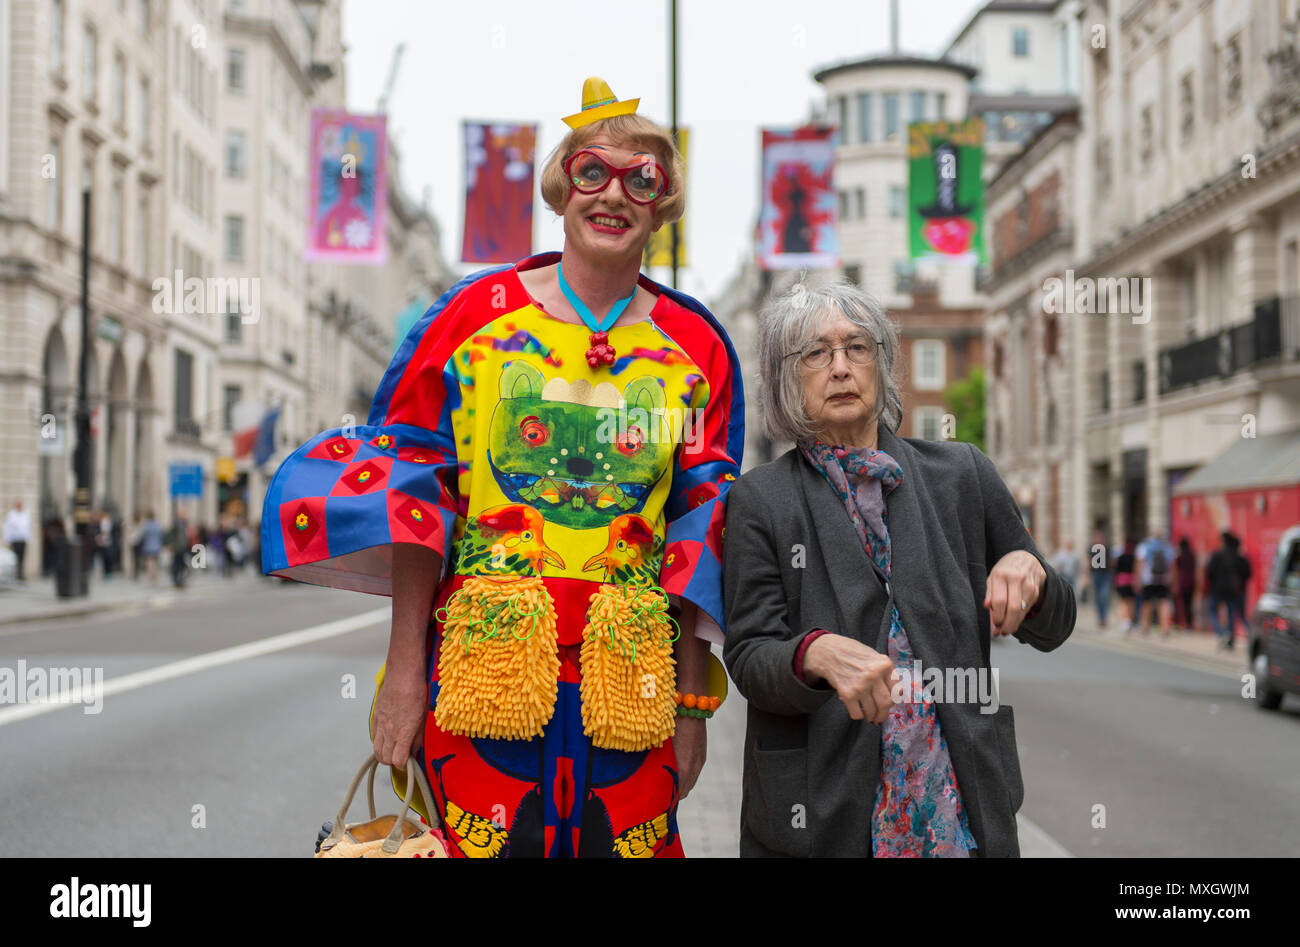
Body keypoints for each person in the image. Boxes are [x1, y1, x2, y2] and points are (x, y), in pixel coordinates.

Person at [262, 77, 743, 858]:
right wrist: (404, 675)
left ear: (665, 202)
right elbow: (416, 498)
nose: (613, 195)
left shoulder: (700, 345)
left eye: (642, 178)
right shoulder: (469, 317)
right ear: (561, 186)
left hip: (633, 683)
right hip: (483, 668)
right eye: (593, 171)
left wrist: (691, 705)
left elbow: (699, 529)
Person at [721, 279, 1075, 858]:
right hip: (823, 810)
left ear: (882, 365)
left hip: (960, 811)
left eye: (857, 348)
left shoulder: (961, 473)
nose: (840, 368)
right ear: (787, 378)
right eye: (815, 353)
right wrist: (811, 653)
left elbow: (1055, 624)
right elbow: (750, 654)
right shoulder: (762, 499)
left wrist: (1029, 571)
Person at [1206, 531, 1252, 651]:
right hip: (1234, 591)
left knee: (1212, 611)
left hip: (1217, 589)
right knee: (1232, 614)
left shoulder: (1217, 555)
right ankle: (1230, 639)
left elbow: (1210, 572)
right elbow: (1248, 574)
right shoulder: (1240, 557)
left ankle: (1222, 633)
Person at [1135, 531, 1176, 637]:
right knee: (1164, 603)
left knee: (1147, 603)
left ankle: (1145, 627)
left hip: (1148, 579)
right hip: (1163, 579)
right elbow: (1172, 565)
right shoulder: (1167, 547)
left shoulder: (1144, 546)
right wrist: (1173, 580)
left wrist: (1137, 579)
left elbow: (1140, 564)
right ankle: (1165, 628)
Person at [1113, 538, 1138, 633]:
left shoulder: (1120, 557)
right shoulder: (1134, 557)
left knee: (1123, 601)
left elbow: (1116, 570)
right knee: (1131, 602)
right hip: (1131, 581)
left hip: (1122, 581)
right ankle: (1130, 620)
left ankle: (1125, 621)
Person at [1089, 523, 1111, 630]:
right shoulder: (1092, 548)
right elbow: (1088, 561)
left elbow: (1111, 562)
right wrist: (1087, 575)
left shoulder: (1106, 548)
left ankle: (1104, 618)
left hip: (1105, 575)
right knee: (1098, 598)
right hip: (1095, 574)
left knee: (1104, 597)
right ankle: (1100, 618)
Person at [1173, 536, 1198, 633]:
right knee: (1189, 604)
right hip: (1191, 582)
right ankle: (1189, 625)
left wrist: (1175, 583)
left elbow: (1175, 570)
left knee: (1179, 604)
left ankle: (1177, 623)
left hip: (1181, 582)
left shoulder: (1179, 556)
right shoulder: (1192, 555)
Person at [3, 500, 31, 582]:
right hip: (15, 539)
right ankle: (14, 574)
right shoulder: (12, 515)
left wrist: (28, 538)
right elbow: (7, 527)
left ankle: (20, 574)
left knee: (22, 557)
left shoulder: (25, 514)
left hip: (23, 539)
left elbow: (27, 527)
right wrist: (7, 539)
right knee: (15, 557)